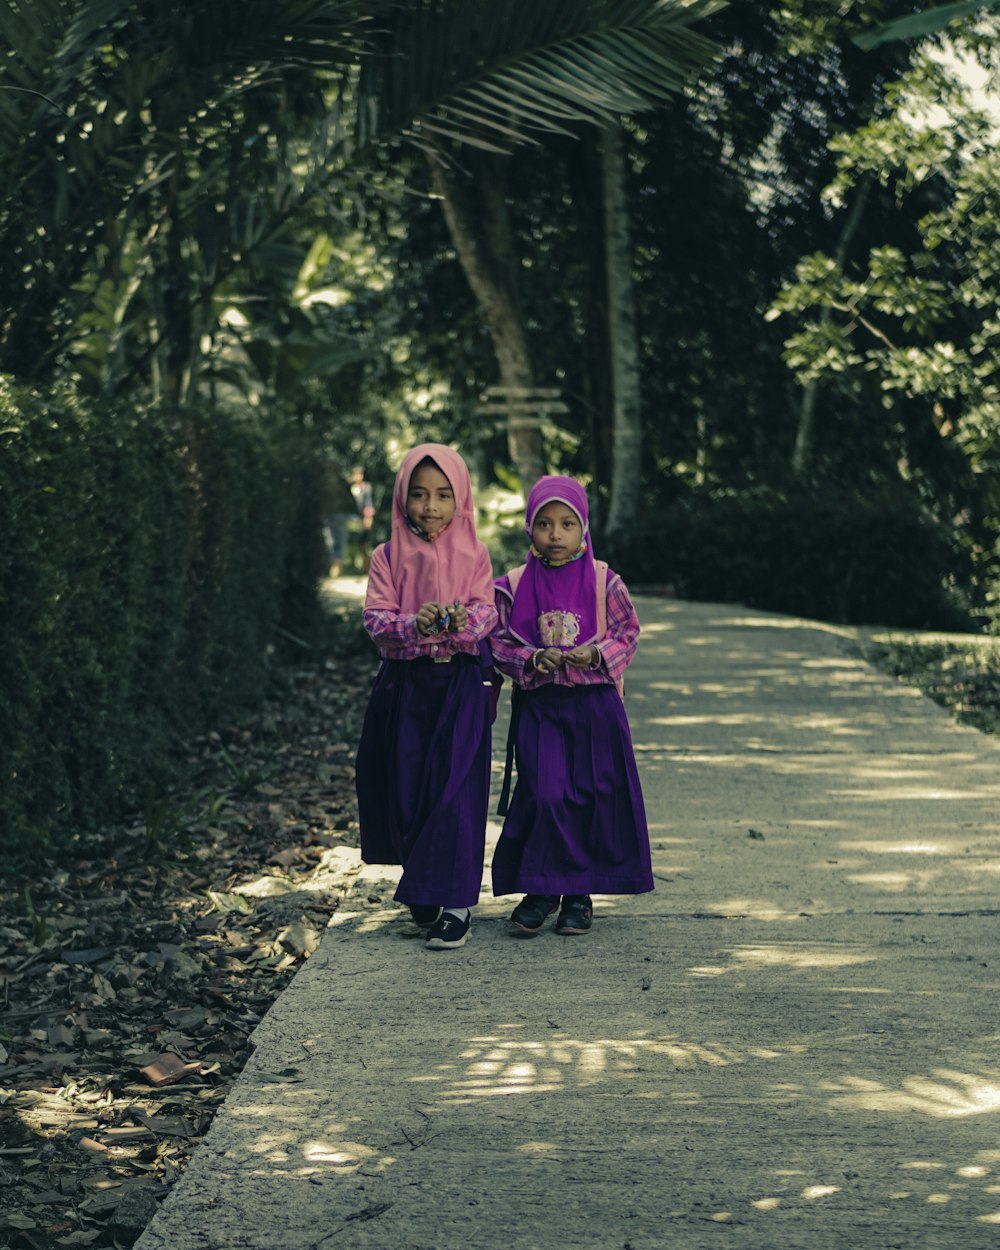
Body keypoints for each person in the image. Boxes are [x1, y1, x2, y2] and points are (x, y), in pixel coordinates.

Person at [490, 475, 653, 936]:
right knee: (546, 793)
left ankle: (578, 894)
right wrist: (532, 658)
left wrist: (598, 654)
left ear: (583, 527)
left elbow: (628, 634)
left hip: (595, 704)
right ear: (529, 527)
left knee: (587, 795)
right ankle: (542, 888)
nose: (555, 534)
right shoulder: (515, 584)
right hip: (542, 706)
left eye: (566, 523)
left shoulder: (605, 580)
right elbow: (499, 642)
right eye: (544, 523)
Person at [354, 444, 497, 950]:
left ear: (460, 499)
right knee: (408, 787)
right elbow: (375, 619)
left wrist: (465, 622)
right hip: (404, 688)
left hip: (458, 684)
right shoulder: (387, 555)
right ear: (402, 498)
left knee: (455, 790)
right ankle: (422, 879)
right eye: (418, 495)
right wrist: (414, 625)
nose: (430, 506)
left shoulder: (475, 553)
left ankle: (456, 903)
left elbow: (487, 611)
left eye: (442, 495)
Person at [321, 464, 356, 579]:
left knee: (331, 540)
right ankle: (335, 566)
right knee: (337, 540)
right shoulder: (340, 481)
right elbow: (350, 499)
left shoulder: (324, 481)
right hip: (336, 514)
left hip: (331, 514)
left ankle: (334, 567)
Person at [350, 465, 375, 574]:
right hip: (352, 518)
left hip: (363, 518)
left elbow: (369, 503)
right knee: (352, 542)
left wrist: (368, 517)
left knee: (364, 542)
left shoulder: (366, 487)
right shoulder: (351, 488)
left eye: (360, 474)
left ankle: (366, 568)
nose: (358, 476)